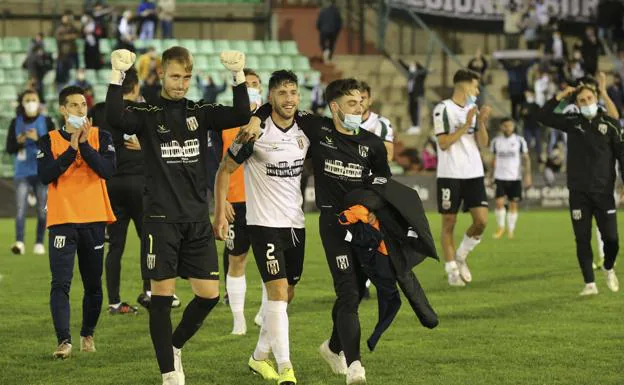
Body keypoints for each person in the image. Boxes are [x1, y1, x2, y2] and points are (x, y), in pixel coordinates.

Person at [105, 47, 251, 385]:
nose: (181, 84)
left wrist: (238, 75)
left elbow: (242, 113)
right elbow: (115, 118)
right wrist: (116, 76)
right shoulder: (147, 113)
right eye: (175, 76)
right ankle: (169, 374)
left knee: (209, 295)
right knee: (162, 297)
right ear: (161, 75)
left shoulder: (200, 111)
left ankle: (173, 346)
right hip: (160, 220)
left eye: (186, 77)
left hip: (197, 220)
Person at [247, 78, 392, 385]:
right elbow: (277, 106)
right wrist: (255, 118)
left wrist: (370, 207)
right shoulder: (317, 128)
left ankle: (333, 347)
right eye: (353, 103)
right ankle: (355, 368)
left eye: (363, 102)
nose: (360, 108)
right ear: (335, 107)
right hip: (331, 224)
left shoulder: (373, 145)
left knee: (350, 292)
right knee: (349, 292)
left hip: (364, 228)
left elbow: (383, 186)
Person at [215, 70, 307, 385]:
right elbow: (224, 168)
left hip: (296, 224)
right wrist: (220, 206)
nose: (289, 99)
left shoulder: (306, 128)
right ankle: (286, 368)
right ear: (271, 97)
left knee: (286, 293)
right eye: (282, 93)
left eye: (293, 92)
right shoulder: (254, 134)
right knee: (278, 293)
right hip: (263, 225)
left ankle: (258, 358)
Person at [37, 86, 116, 359]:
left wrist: (82, 144)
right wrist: (70, 151)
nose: (80, 110)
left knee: (93, 284)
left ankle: (87, 333)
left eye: (83, 105)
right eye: (74, 105)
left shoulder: (100, 136)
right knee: (60, 283)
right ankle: (64, 341)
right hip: (62, 220)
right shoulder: (47, 140)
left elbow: (108, 170)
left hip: (94, 220)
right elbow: (45, 174)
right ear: (62, 110)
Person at [537, 83, 622, 295]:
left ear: (596, 99)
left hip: (604, 192)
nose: (586, 103)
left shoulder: (611, 125)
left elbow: (622, 155)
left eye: (589, 99)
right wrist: (559, 96)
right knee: (582, 238)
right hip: (578, 192)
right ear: (577, 104)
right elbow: (543, 116)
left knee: (612, 239)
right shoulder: (572, 122)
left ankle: (608, 267)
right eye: (582, 101)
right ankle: (589, 284)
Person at [89, 66, 157, 314]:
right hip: (139, 182)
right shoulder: (145, 111)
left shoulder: (100, 110)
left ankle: (114, 302)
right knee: (148, 239)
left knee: (115, 246)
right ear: (136, 87)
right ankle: (150, 293)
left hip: (112, 183)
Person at [214, 68, 264, 335]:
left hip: (266, 204)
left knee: (274, 264)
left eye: (256, 84)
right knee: (237, 260)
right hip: (237, 201)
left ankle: (263, 314)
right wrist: (222, 201)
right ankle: (238, 321)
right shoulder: (225, 121)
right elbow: (216, 165)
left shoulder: (272, 120)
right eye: (248, 85)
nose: (253, 88)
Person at [432, 69, 491, 287]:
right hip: (450, 174)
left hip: (473, 172)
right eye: (475, 87)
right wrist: (466, 125)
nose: (476, 91)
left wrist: (481, 122)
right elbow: (444, 143)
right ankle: (451, 271)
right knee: (449, 223)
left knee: (482, 221)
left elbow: (483, 144)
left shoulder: (472, 110)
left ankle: (461, 255)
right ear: (464, 86)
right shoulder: (443, 109)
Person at [5, 90, 55, 255]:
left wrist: (38, 138)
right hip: (22, 173)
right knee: (20, 209)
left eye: (34, 99)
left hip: (42, 172)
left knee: (42, 209)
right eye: (27, 100)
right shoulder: (15, 122)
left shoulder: (46, 121)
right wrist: (18, 142)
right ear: (22, 103)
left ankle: (39, 242)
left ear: (39, 101)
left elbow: (54, 145)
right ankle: (19, 242)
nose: (31, 102)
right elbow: (9, 148)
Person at [489, 118, 531, 239]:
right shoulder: (496, 141)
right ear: (501, 127)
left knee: (513, 204)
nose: (507, 128)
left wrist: (527, 175)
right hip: (500, 176)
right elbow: (493, 159)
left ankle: (511, 230)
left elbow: (526, 159)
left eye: (510, 126)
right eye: (505, 126)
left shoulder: (520, 140)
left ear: (513, 127)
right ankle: (501, 227)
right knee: (499, 203)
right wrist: (490, 175)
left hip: (515, 177)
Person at [359, 81, 394, 161]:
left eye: (363, 98)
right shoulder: (341, 123)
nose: (359, 102)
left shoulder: (381, 123)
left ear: (370, 101)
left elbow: (388, 155)